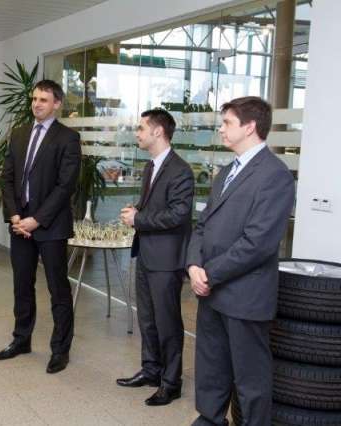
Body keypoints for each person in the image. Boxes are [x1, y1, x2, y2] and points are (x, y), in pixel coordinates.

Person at [186, 97, 295, 425]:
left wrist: (209, 274)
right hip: (212, 291)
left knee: (250, 379)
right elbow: (202, 225)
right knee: (211, 367)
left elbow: (257, 243)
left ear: (250, 127)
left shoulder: (275, 175)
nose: (221, 129)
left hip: (245, 296)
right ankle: (210, 419)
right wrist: (193, 265)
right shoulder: (226, 172)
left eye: (227, 123)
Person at [0, 79, 81, 374]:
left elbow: (65, 186)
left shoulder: (68, 138)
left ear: (57, 104)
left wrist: (37, 219)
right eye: (34, 99)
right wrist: (15, 216)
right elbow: (6, 178)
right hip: (20, 224)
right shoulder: (19, 134)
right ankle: (21, 340)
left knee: (58, 290)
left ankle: (60, 350)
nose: (36, 104)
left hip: (51, 226)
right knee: (22, 285)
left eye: (43, 99)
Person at [117, 109, 194, 406]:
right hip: (147, 254)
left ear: (158, 131)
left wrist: (139, 219)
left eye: (141, 128)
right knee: (147, 319)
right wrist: (137, 211)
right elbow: (156, 207)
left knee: (167, 323)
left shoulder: (181, 170)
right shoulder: (151, 166)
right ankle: (151, 370)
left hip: (166, 259)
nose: (137, 133)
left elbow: (178, 214)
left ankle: (171, 383)